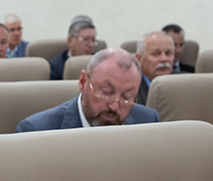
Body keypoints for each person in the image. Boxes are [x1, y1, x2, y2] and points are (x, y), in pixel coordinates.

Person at [17, 48, 160, 132]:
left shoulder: (148, 122)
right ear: (83, 82)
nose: (115, 106)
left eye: (127, 96)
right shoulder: (38, 130)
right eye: (106, 92)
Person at [49, 15, 96, 80]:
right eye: (85, 39)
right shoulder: (56, 68)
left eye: (93, 40)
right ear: (70, 40)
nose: (91, 45)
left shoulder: (99, 63)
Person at [134, 31, 174, 105]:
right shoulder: (131, 90)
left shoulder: (184, 84)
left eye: (168, 53)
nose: (164, 59)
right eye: (155, 54)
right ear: (139, 59)